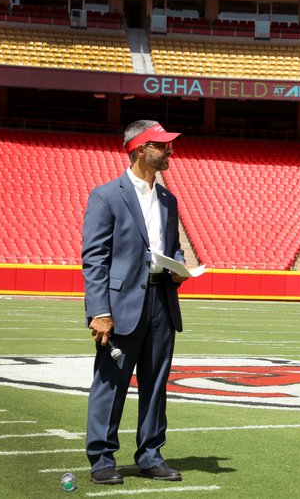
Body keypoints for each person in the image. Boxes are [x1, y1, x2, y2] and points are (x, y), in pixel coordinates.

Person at [82, 120, 188, 485]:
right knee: (111, 383)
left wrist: (179, 263)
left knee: (156, 383)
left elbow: (170, 245)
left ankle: (150, 454)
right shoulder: (106, 195)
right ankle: (101, 458)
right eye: (163, 145)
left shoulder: (168, 198)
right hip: (121, 303)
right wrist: (99, 311)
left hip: (162, 298)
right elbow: (95, 257)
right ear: (141, 149)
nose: (171, 150)